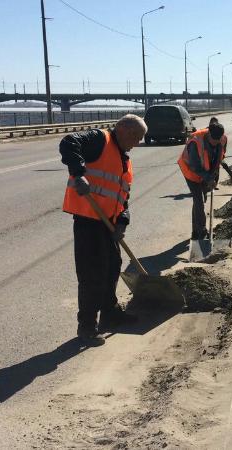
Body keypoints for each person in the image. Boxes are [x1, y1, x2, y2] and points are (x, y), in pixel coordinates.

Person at [59, 114, 147, 345]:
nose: (139, 143)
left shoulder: (123, 157)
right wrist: (78, 173)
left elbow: (123, 195)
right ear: (124, 130)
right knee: (92, 275)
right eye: (137, 137)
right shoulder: (99, 139)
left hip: (108, 221)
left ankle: (110, 313)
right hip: (89, 219)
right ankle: (87, 327)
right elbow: (69, 141)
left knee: (113, 267)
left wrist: (122, 221)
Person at [177, 121, 227, 240]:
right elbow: (195, 167)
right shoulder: (196, 142)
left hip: (206, 172)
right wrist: (209, 178)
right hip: (190, 172)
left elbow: (219, 157)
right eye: (213, 140)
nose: (215, 143)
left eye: (217, 140)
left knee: (200, 200)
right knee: (198, 200)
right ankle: (202, 231)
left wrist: (213, 176)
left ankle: (196, 231)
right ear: (209, 134)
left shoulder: (222, 139)